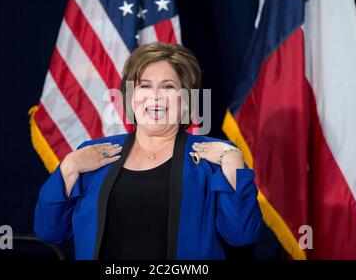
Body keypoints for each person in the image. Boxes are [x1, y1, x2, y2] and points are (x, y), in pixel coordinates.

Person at [34, 42, 262, 260]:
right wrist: (69, 168)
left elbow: (241, 235)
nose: (155, 96)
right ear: (130, 97)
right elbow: (49, 232)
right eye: (144, 85)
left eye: (168, 87)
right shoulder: (91, 155)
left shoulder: (215, 158)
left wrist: (233, 162)